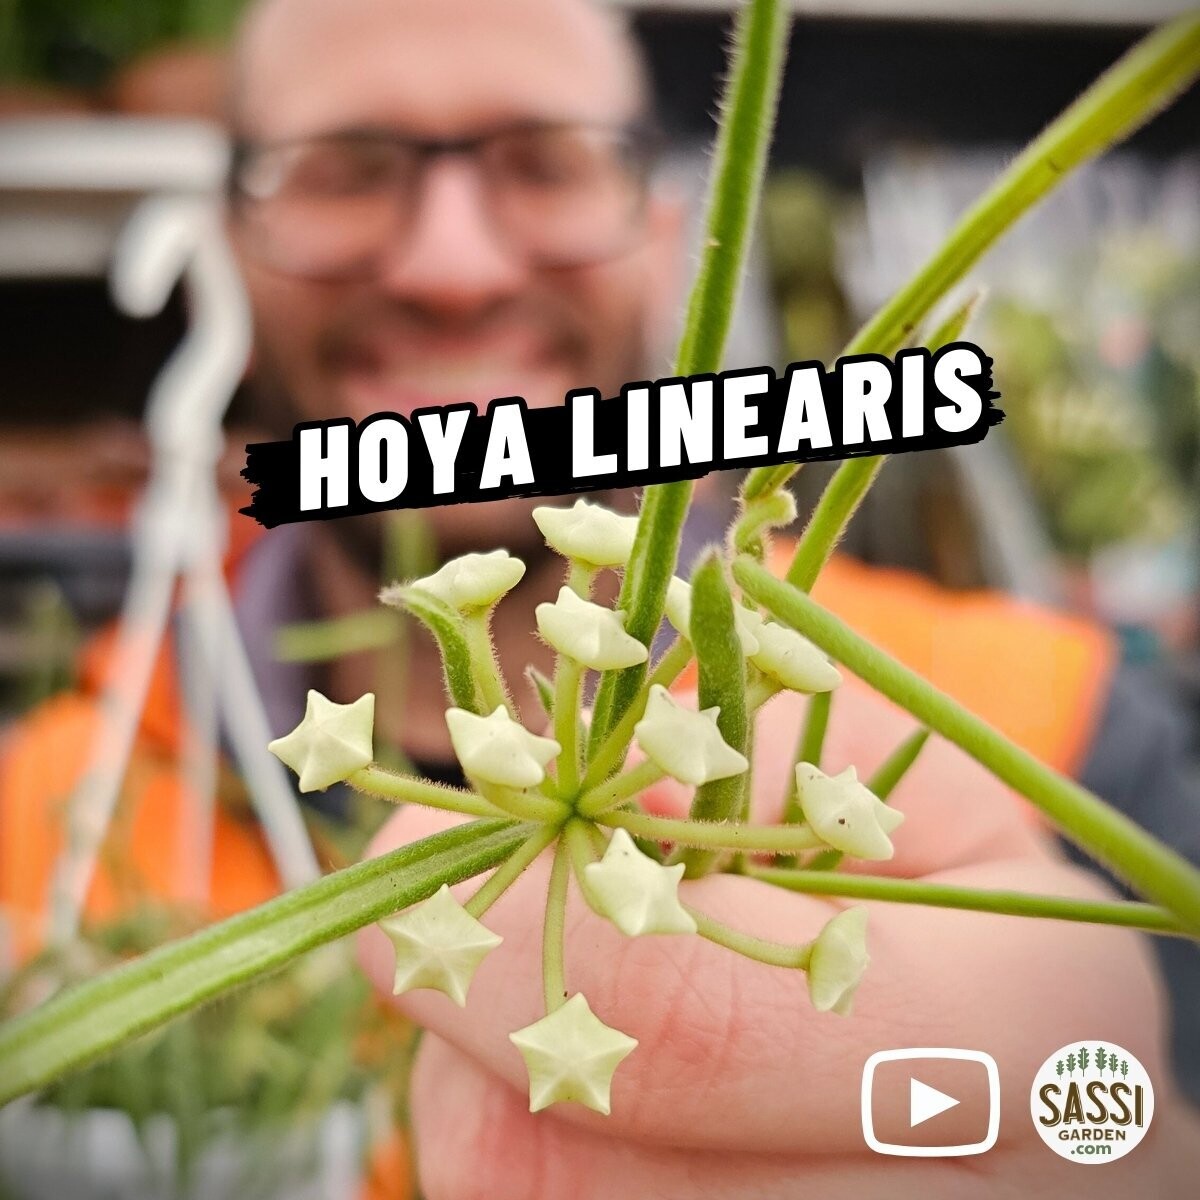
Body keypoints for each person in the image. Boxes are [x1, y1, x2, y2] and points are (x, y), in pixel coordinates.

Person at [2, 0, 1198, 1196]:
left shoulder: (1048, 719)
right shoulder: (40, 808)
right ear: (231, 239)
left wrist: (1114, 1141)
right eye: (345, 173)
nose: (451, 267)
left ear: (667, 226)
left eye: (546, 164)